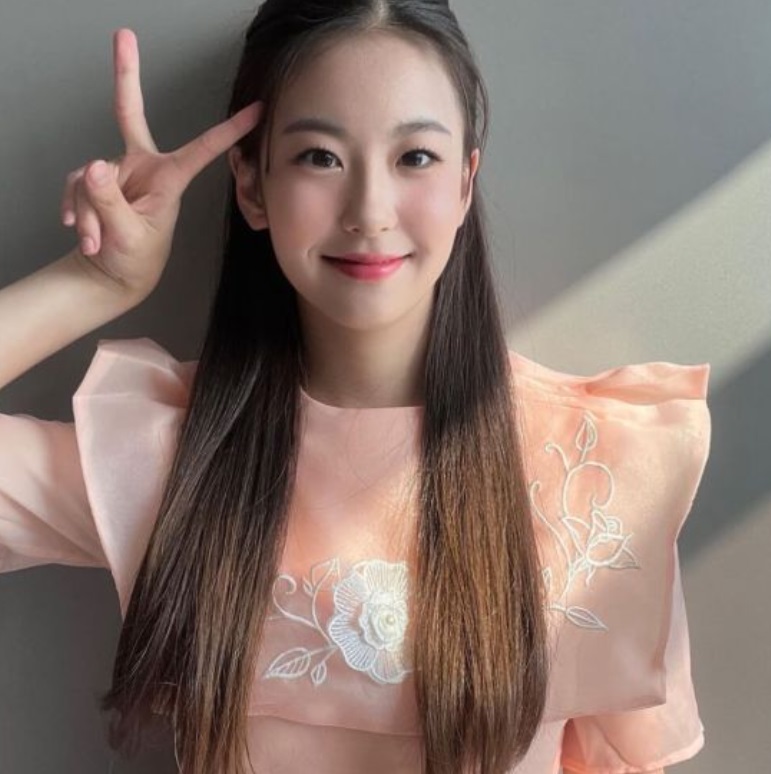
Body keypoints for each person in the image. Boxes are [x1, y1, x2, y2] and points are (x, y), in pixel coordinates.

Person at [0, 3, 712, 773]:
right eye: (319, 157)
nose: (369, 212)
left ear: (464, 183)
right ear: (252, 186)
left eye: (415, 158)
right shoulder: (169, 460)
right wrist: (96, 283)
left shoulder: (597, 474)